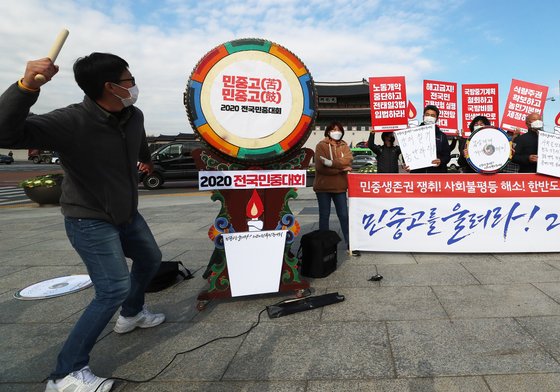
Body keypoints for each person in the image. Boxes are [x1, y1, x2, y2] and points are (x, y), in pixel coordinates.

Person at [0, 53, 165, 392]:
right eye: (129, 79)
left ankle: (131, 315)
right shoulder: (69, 121)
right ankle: (65, 375)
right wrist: (26, 87)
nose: (134, 86)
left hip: (127, 214)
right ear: (110, 87)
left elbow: (140, 142)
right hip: (88, 219)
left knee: (150, 259)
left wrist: (147, 161)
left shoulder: (134, 115)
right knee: (112, 289)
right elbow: (6, 133)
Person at [313, 121, 360, 256]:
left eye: (339, 130)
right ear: (328, 131)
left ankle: (350, 243)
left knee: (344, 216)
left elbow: (348, 160)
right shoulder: (321, 146)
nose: (336, 132)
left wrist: (331, 163)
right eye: (333, 129)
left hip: (339, 187)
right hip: (323, 187)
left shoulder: (344, 146)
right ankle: (323, 245)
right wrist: (340, 170)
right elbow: (320, 168)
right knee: (324, 216)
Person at [409, 105, 451, 173]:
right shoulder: (413, 134)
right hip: (418, 175)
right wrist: (407, 164)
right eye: (427, 115)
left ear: (436, 119)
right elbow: (407, 152)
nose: (429, 117)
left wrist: (441, 160)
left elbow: (447, 156)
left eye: (432, 115)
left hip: (436, 175)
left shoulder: (442, 136)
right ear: (423, 117)